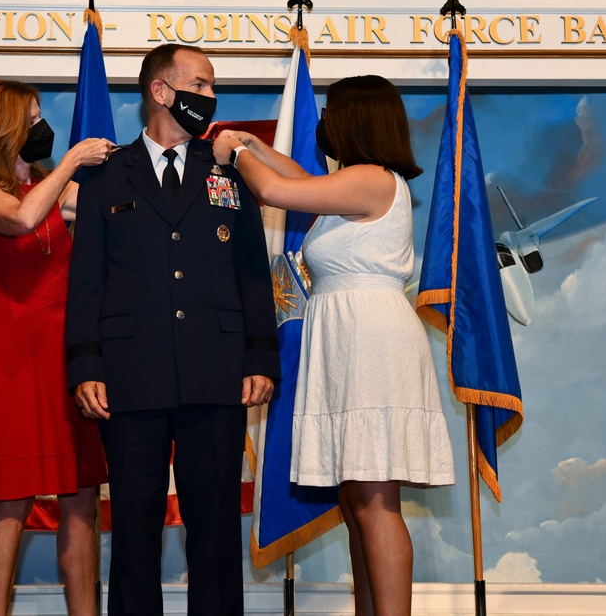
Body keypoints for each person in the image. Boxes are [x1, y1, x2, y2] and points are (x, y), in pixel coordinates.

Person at [212, 74, 455, 616]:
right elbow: (296, 176)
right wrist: (255, 145)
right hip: (348, 337)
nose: (323, 124)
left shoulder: (371, 179)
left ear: (355, 119)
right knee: (355, 500)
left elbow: (275, 190)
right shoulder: (353, 186)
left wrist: (233, 152)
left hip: (369, 340)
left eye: (331, 112)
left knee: (373, 500)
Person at [66, 43, 281, 616]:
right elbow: (86, 279)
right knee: (134, 526)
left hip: (217, 372)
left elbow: (253, 272)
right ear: (162, 91)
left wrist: (261, 355)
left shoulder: (228, 169)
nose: (211, 97)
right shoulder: (106, 176)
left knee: (213, 523)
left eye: (212, 87)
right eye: (202, 85)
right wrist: (86, 364)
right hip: (130, 373)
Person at [0, 79, 114, 616]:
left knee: (82, 497)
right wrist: (72, 162)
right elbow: (21, 218)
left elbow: (113, 210)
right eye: (32, 116)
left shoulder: (47, 185)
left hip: (70, 351)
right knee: (12, 499)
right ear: (5, 124)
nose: (42, 126)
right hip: (15, 352)